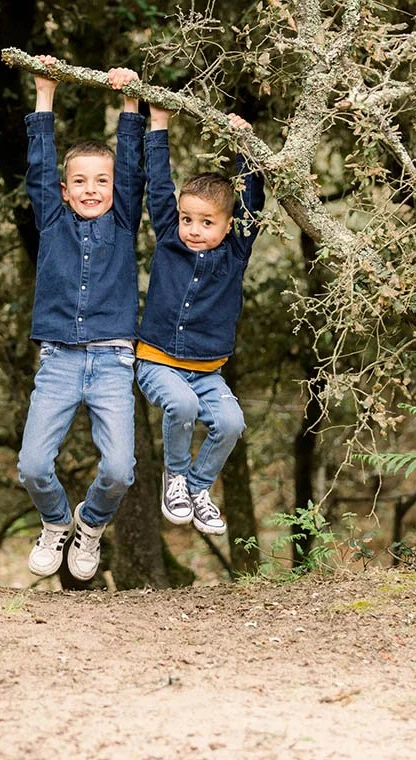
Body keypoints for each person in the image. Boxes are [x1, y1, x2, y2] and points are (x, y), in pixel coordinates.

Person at [16, 56, 144, 581]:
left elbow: (134, 169)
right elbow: (40, 165)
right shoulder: (52, 219)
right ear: (65, 190)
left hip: (113, 360)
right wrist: (45, 94)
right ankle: (54, 524)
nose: (92, 189)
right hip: (59, 361)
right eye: (80, 182)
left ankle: (89, 526)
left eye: (102, 180)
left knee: (119, 470)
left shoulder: (122, 220)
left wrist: (130, 105)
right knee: (32, 467)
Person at [135, 103, 265, 536]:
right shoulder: (170, 238)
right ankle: (174, 477)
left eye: (207, 222)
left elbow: (252, 205)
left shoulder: (235, 252)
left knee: (231, 423)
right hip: (158, 361)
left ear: (228, 226)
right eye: (188, 218)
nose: (193, 228)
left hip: (207, 372)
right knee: (183, 406)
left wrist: (245, 145)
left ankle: (197, 487)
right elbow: (158, 186)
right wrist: (158, 124)